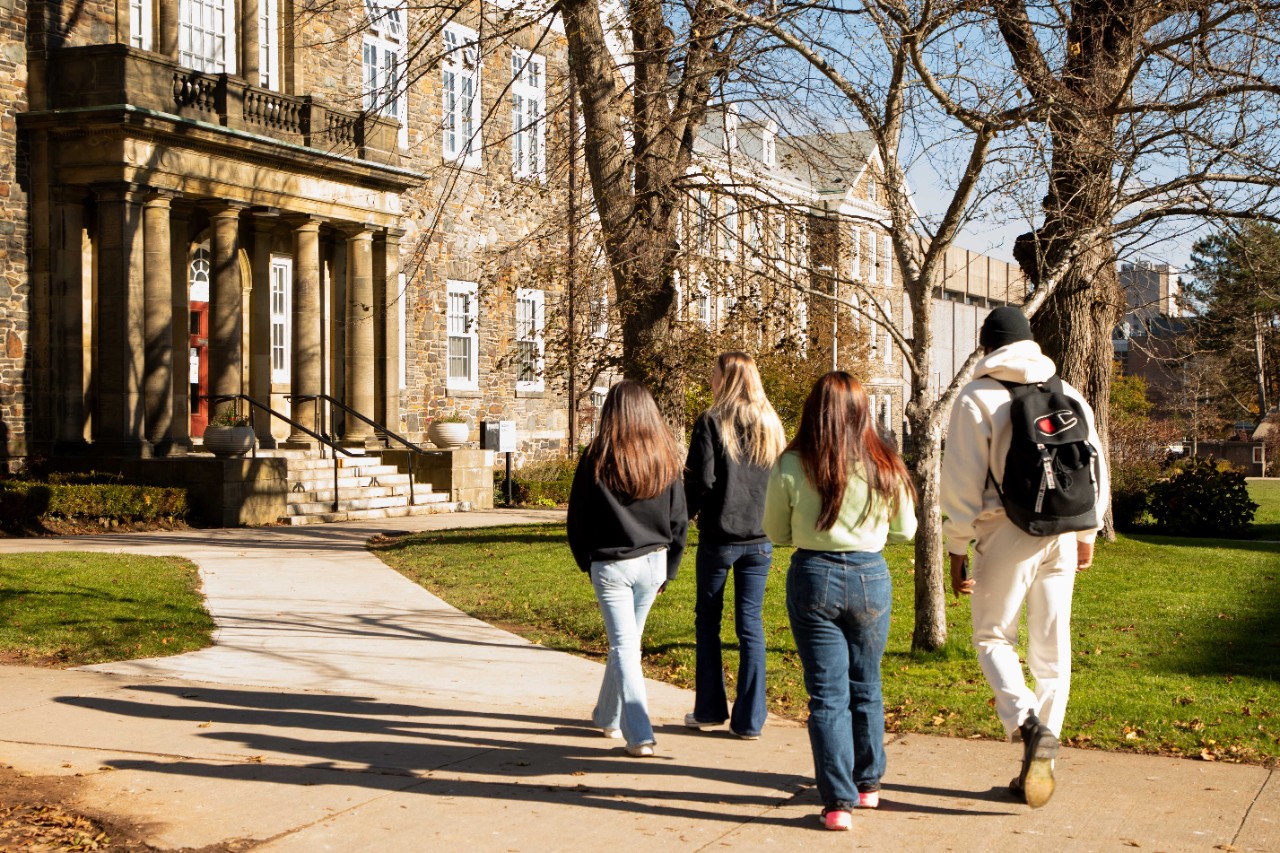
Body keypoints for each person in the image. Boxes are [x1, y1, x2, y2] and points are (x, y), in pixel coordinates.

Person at [940, 306, 1109, 808]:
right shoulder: (1066, 389)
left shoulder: (977, 396)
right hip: (1064, 531)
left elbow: (962, 482)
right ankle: (1040, 763)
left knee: (993, 636)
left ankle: (1028, 724)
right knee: (1052, 651)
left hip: (1006, 532)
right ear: (1030, 341)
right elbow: (1096, 463)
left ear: (986, 345)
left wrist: (956, 547)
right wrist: (1089, 530)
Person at [763, 372, 917, 832]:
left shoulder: (793, 463)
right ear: (862, 411)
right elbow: (906, 530)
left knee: (827, 694)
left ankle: (837, 803)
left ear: (814, 411)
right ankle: (868, 783)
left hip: (814, 574)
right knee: (866, 682)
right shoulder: (884, 461)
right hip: (870, 574)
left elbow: (775, 531)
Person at [567, 380, 689, 758]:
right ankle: (608, 716)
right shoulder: (664, 456)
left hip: (613, 566)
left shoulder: (596, 457)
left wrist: (586, 561)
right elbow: (679, 519)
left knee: (624, 646)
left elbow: (577, 519)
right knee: (627, 644)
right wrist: (670, 568)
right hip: (653, 562)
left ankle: (639, 734)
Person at [684, 352, 787, 740]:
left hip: (720, 536)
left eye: (714, 373)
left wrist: (683, 516)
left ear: (726, 379)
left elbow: (702, 479)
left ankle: (709, 708)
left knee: (708, 620)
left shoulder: (711, 421)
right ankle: (749, 719)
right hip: (760, 538)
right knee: (751, 625)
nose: (710, 379)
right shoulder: (770, 423)